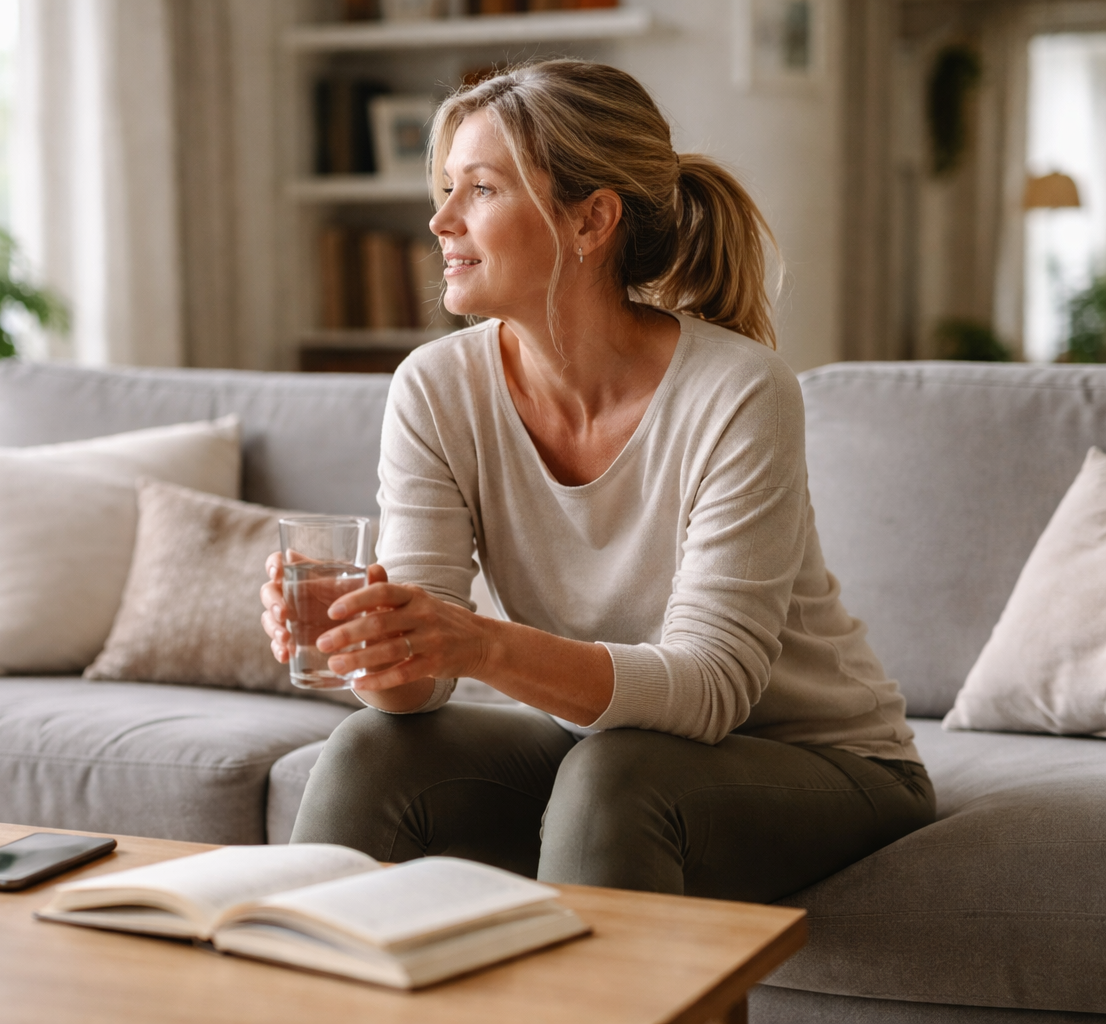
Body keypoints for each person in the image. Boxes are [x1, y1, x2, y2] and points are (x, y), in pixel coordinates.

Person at [258, 60, 935, 903]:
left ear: (590, 222)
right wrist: (370, 643)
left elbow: (712, 687)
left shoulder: (740, 391)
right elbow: (416, 689)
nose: (440, 221)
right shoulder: (434, 388)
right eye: (445, 189)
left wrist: (480, 643)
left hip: (821, 760)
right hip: (607, 749)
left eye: (480, 190)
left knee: (620, 777)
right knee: (370, 749)